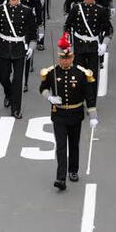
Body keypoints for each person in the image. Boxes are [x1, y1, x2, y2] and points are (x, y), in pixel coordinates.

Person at [39, 33, 97, 191]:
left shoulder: (80, 73)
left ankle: (73, 170)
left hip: (75, 113)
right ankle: (61, 178)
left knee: (74, 144)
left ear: (72, 57)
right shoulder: (52, 72)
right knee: (61, 146)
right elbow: (43, 88)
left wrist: (93, 116)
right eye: (62, 58)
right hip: (58, 115)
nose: (65, 61)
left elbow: (89, 96)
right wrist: (50, 98)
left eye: (68, 58)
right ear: (59, 58)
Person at [0, 0, 37, 119]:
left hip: (19, 48)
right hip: (3, 47)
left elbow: (32, 33)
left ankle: (16, 108)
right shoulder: (1, 10)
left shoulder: (27, 11)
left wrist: (31, 47)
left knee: (18, 80)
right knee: (3, 77)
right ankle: (8, 94)